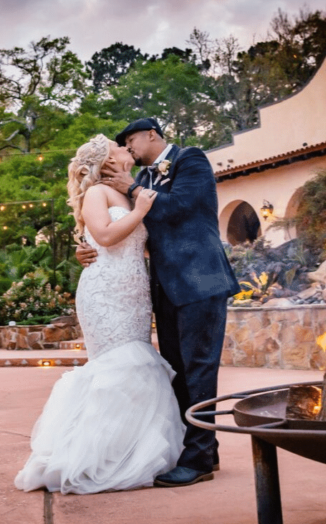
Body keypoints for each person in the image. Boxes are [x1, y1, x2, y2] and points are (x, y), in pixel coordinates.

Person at [14, 135, 184, 495]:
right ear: (107, 160)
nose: (127, 150)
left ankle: (127, 451)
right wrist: (139, 213)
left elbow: (139, 242)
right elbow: (104, 236)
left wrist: (137, 209)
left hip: (135, 291)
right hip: (105, 292)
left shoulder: (132, 191)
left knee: (137, 364)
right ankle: (93, 456)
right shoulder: (98, 193)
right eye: (120, 147)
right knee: (115, 367)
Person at [80, 117, 240, 488]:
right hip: (164, 289)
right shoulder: (144, 180)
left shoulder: (190, 159)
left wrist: (133, 188)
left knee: (199, 370)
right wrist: (87, 249)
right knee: (178, 373)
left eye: (130, 139)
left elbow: (181, 206)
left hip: (200, 281)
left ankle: (197, 459)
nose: (128, 147)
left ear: (151, 134)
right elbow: (128, 230)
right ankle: (203, 449)